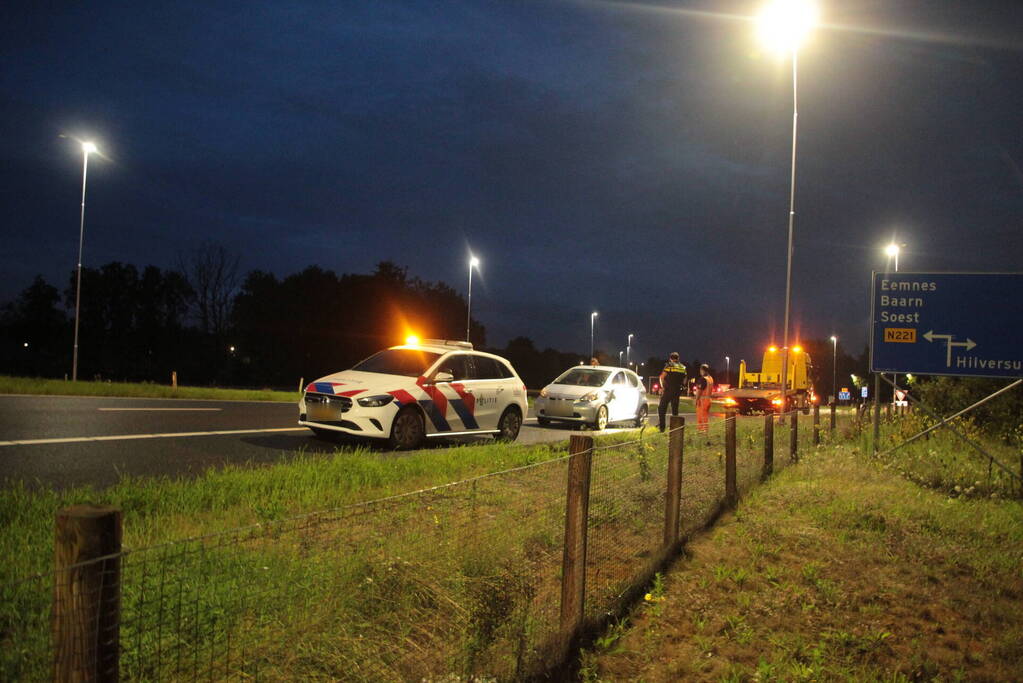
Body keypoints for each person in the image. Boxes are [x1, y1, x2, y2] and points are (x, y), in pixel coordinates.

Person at [657, 352, 687, 431]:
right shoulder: (683, 367)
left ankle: (662, 428)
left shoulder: (669, 365)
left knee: (662, 408)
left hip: (668, 389)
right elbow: (685, 380)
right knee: (675, 410)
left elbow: (662, 377)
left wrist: (662, 387)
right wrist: (682, 386)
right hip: (677, 391)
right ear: (678, 358)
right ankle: (675, 429)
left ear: (670, 358)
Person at [694, 363, 715, 435]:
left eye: (700, 370)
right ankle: (705, 431)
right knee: (705, 416)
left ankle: (702, 432)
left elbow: (699, 391)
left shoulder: (702, 379)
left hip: (702, 401)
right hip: (709, 400)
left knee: (701, 417)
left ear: (702, 370)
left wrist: (696, 400)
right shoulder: (710, 378)